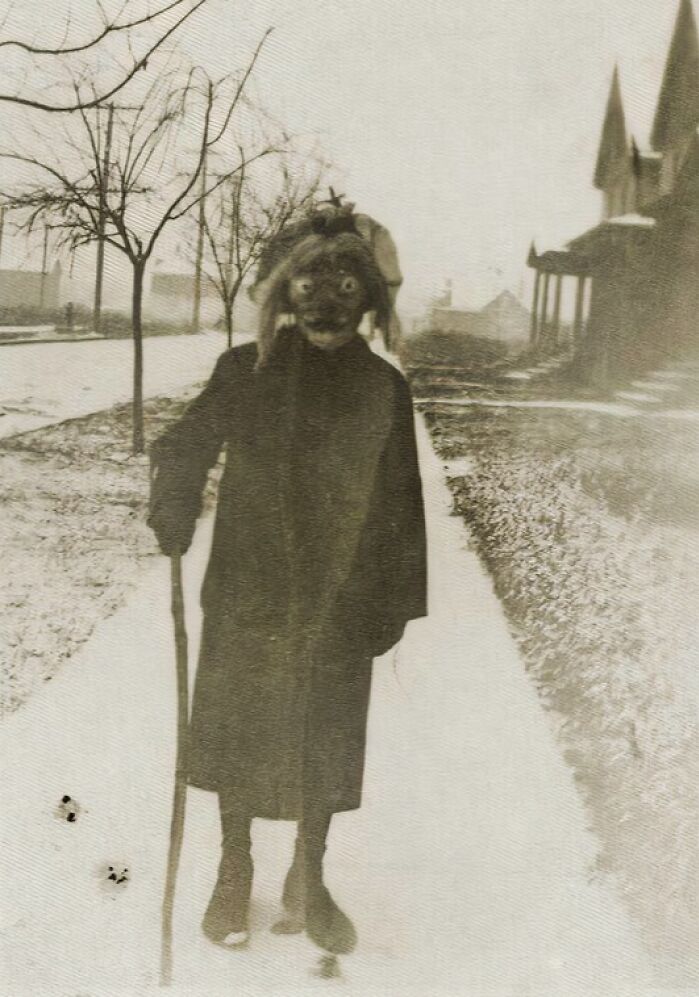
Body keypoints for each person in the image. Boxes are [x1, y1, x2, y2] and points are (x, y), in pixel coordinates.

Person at [148, 205, 427, 957]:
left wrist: (394, 598)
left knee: (324, 734)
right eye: (310, 279)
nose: (327, 297)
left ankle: (311, 867)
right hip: (250, 588)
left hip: (340, 592)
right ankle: (234, 865)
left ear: (369, 298)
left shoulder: (381, 389)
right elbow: (187, 441)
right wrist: (174, 499)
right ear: (284, 290)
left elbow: (402, 498)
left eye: (345, 281)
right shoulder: (247, 370)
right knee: (240, 729)